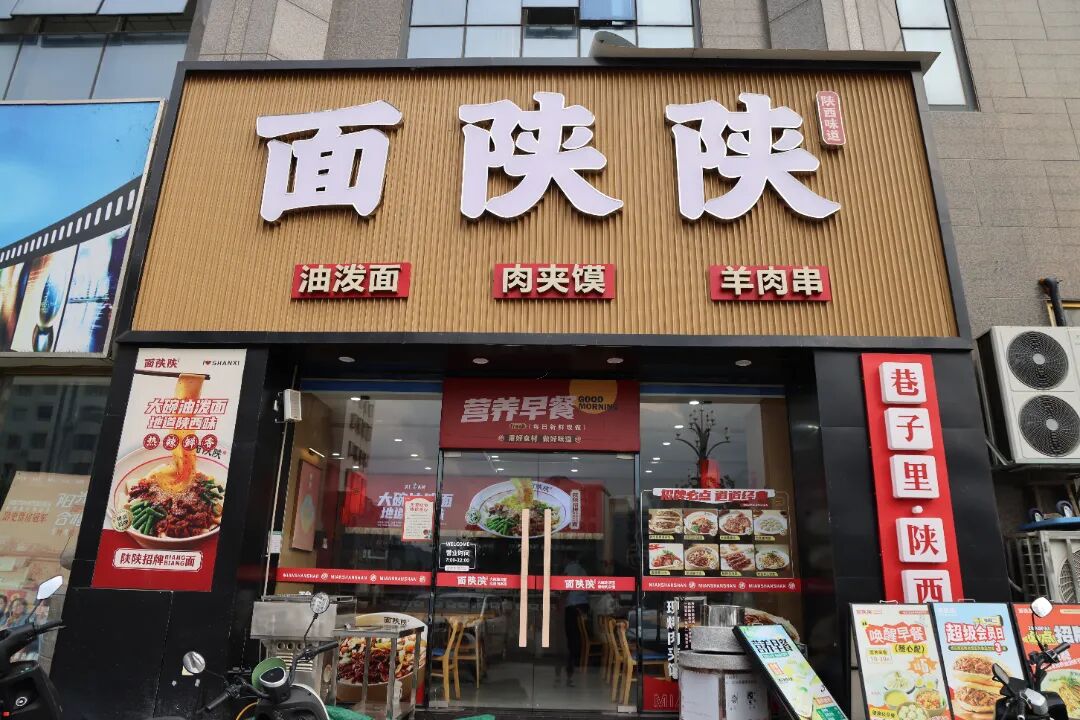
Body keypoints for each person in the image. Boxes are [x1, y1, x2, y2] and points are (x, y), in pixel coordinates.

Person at [562, 553, 590, 687]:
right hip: (583, 606)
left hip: (572, 606)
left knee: (572, 635)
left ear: (567, 558)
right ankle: (579, 659)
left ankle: (572, 660)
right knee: (580, 635)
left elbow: (566, 586)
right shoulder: (583, 569)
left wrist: (560, 599)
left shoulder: (570, 567)